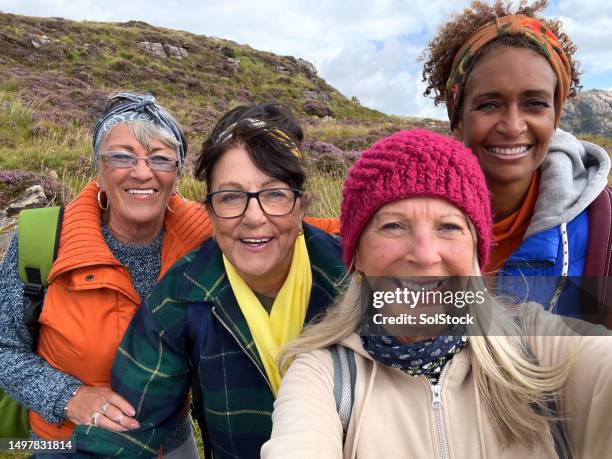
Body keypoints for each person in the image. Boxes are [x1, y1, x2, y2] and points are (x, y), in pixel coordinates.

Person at [261, 129, 611, 458]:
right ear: (357, 258)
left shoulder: (539, 346)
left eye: (449, 227)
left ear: (475, 251)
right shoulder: (324, 377)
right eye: (394, 226)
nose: (426, 255)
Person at [68, 103, 346, 458]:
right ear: (210, 210)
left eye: (275, 194)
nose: (254, 217)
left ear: (301, 204)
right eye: (231, 197)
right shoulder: (178, 298)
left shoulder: (355, 277)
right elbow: (126, 431)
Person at [420, 0, 611, 321]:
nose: (512, 126)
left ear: (555, 117)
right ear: (458, 120)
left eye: (534, 103)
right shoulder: (407, 213)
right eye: (488, 105)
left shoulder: (603, 231)